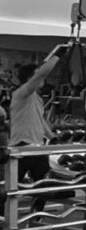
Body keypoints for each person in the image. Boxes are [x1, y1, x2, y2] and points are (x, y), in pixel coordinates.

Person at [9, 48, 63, 182]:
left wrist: (52, 136)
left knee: (42, 186)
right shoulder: (20, 94)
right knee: (12, 188)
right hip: (21, 148)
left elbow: (40, 119)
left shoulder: (37, 98)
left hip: (38, 148)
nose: (43, 78)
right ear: (30, 79)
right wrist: (57, 55)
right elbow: (41, 74)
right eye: (37, 75)